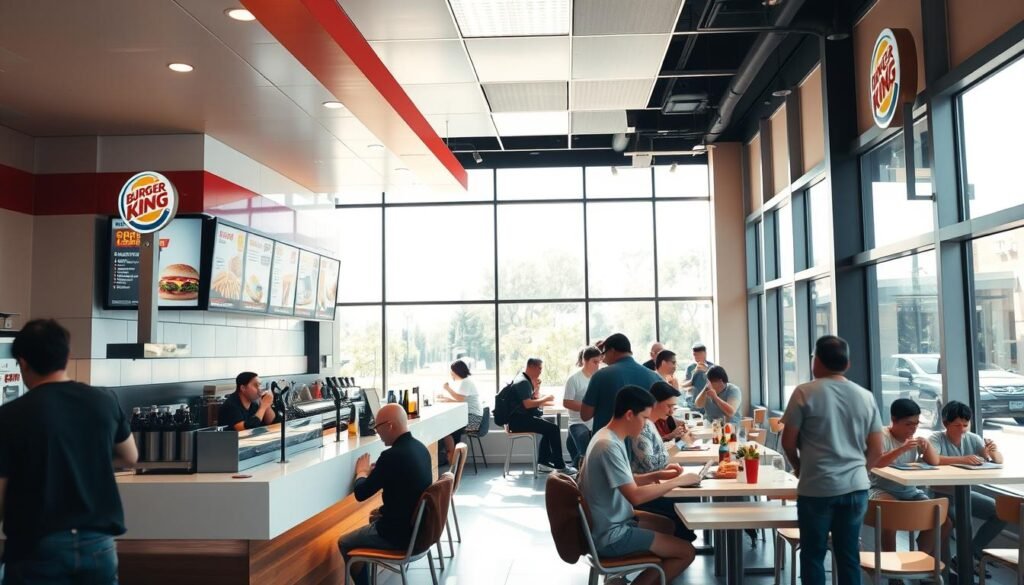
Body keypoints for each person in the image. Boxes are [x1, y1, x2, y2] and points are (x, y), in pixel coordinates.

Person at [0, 319, 138, 584]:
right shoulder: (104, 400)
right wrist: (86, 459)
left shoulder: (10, 416)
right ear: (67, 356)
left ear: (23, 362)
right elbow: (130, 456)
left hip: (37, 545)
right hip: (99, 544)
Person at [781, 335, 883, 585]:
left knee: (813, 554)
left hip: (816, 487)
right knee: (848, 555)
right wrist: (861, 470)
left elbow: (787, 442)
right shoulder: (865, 396)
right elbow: (877, 448)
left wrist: (799, 467)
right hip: (856, 488)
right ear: (847, 364)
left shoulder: (804, 392)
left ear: (816, 362)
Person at [579, 385, 698, 585]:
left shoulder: (606, 436)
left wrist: (658, 475)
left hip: (609, 521)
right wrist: (679, 481)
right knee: (686, 552)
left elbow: (627, 480)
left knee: (667, 525)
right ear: (629, 415)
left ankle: (647, 571)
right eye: (644, 418)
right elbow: (635, 496)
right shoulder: (608, 446)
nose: (645, 426)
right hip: (611, 534)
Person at [338, 404, 432, 585]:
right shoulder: (420, 448)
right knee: (374, 516)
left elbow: (361, 493)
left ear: (389, 426)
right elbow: (399, 479)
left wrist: (362, 473)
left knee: (345, 543)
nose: (377, 432)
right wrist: (379, 471)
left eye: (378, 427)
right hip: (421, 533)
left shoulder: (391, 456)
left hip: (399, 536)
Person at [928, 400, 1005, 573]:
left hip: (965, 493)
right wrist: (962, 459)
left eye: (965, 424)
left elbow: (998, 461)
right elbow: (934, 459)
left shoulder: (973, 438)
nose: (962, 429)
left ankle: (971, 553)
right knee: (961, 521)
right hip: (940, 494)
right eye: (957, 425)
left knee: (1000, 512)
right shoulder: (936, 438)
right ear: (946, 424)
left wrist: (992, 451)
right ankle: (949, 568)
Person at [869, 398, 944, 553]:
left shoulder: (914, 440)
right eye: (908, 424)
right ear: (894, 420)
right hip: (879, 488)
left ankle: (920, 558)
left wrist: (927, 446)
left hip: (908, 490)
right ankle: (892, 569)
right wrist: (901, 449)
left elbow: (934, 461)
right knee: (892, 517)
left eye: (916, 424)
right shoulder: (881, 435)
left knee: (940, 517)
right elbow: (876, 462)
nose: (913, 429)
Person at [628, 382, 697, 542]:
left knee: (691, 498)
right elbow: (651, 464)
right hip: (643, 491)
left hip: (648, 484)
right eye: (669, 406)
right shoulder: (643, 428)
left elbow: (656, 459)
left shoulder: (650, 424)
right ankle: (679, 545)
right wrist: (681, 444)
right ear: (654, 402)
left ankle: (681, 544)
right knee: (688, 500)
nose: (672, 411)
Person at [581, 333, 662, 433]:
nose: (603, 359)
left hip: (608, 441)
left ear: (612, 351)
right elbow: (662, 413)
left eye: (604, 353)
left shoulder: (600, 376)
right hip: (644, 441)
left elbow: (585, 415)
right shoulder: (655, 377)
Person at [507, 358, 574, 473]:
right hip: (519, 421)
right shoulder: (523, 382)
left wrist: (538, 392)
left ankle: (543, 462)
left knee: (549, 426)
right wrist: (546, 398)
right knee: (553, 429)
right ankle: (559, 465)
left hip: (518, 420)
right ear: (532, 367)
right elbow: (528, 404)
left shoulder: (522, 379)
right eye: (540, 368)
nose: (540, 371)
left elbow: (531, 400)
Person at [563, 346, 602, 467]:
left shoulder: (599, 378)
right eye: (594, 362)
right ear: (585, 360)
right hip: (577, 423)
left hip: (595, 422)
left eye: (599, 362)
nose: (597, 365)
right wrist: (588, 406)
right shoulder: (573, 379)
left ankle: (577, 468)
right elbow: (567, 402)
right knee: (584, 440)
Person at [438, 359, 483, 464]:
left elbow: (460, 399)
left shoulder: (466, 382)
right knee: (451, 429)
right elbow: (462, 400)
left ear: (456, 371)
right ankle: (453, 458)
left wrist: (447, 388)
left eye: (452, 371)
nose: (451, 374)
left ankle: (452, 459)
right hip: (474, 418)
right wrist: (447, 399)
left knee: (446, 431)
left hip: (473, 421)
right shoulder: (467, 381)